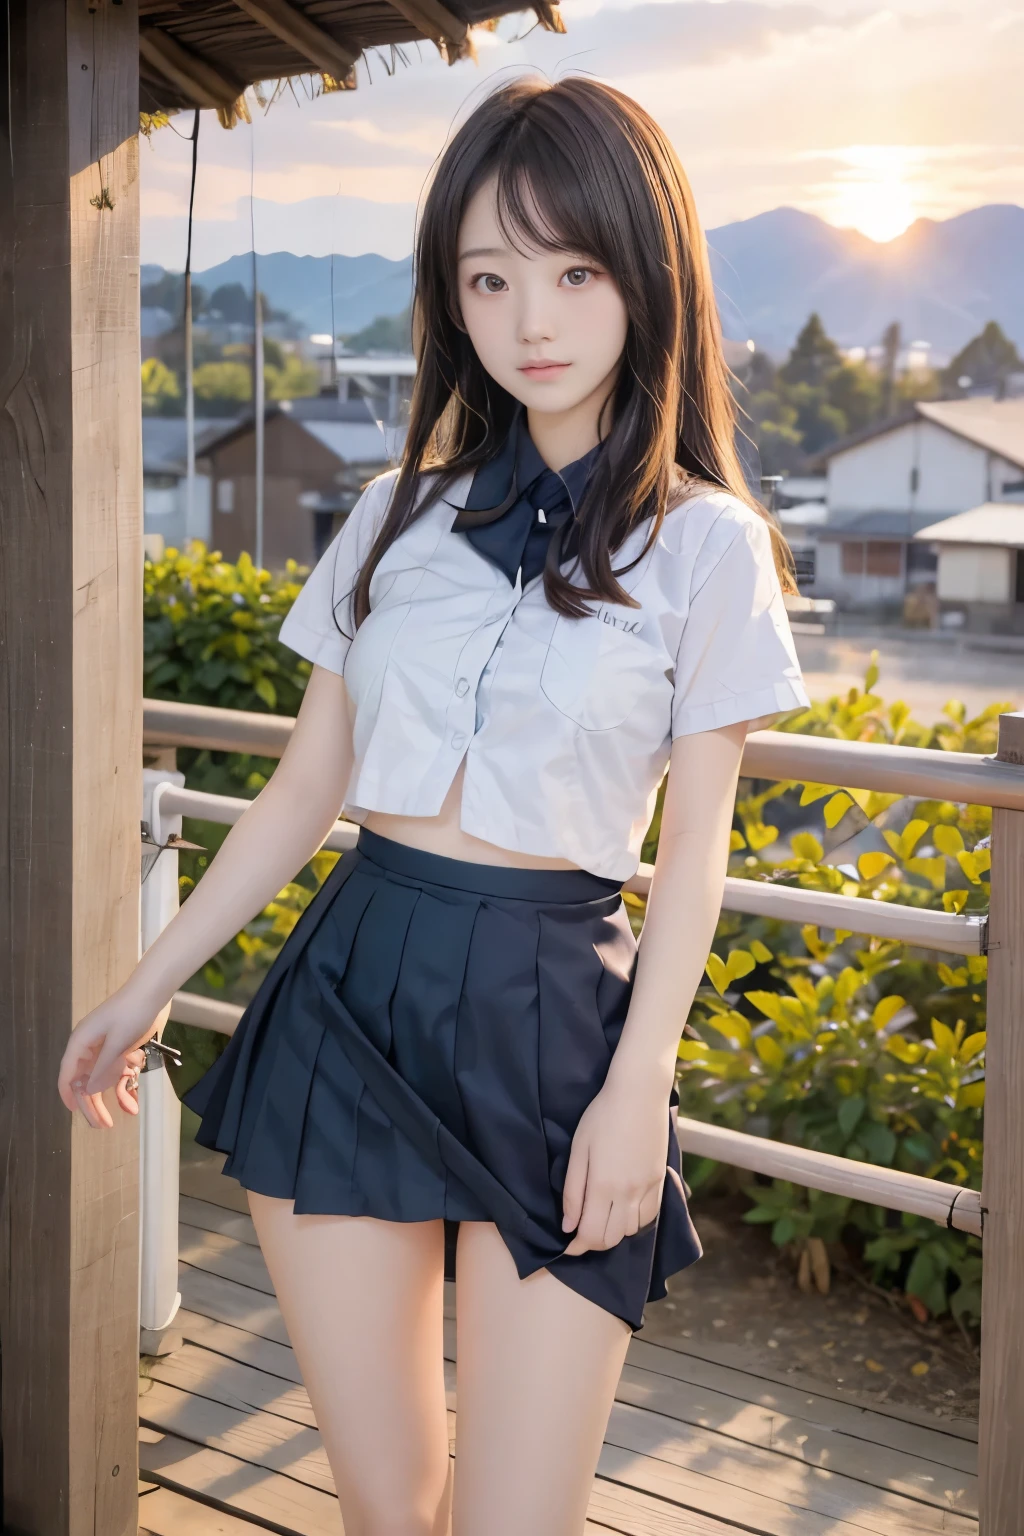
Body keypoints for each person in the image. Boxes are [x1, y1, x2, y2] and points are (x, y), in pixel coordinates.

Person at [59, 75, 808, 1536]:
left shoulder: (713, 547)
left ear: (648, 277)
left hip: (555, 1029)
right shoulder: (394, 510)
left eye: (576, 270)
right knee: (388, 1506)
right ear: (448, 300)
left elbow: (698, 852)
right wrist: (142, 987)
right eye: (490, 277)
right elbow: (301, 793)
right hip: (353, 993)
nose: (534, 318)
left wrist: (639, 1088)